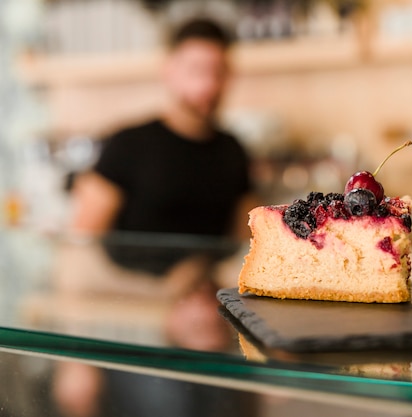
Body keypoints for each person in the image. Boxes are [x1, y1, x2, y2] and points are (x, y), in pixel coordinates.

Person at [53, 18, 260, 417]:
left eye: (218, 72)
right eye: (196, 70)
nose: (208, 85)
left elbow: (245, 248)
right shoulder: (127, 145)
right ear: (170, 71)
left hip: (210, 338)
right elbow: (76, 252)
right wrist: (74, 360)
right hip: (132, 333)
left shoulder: (234, 151)